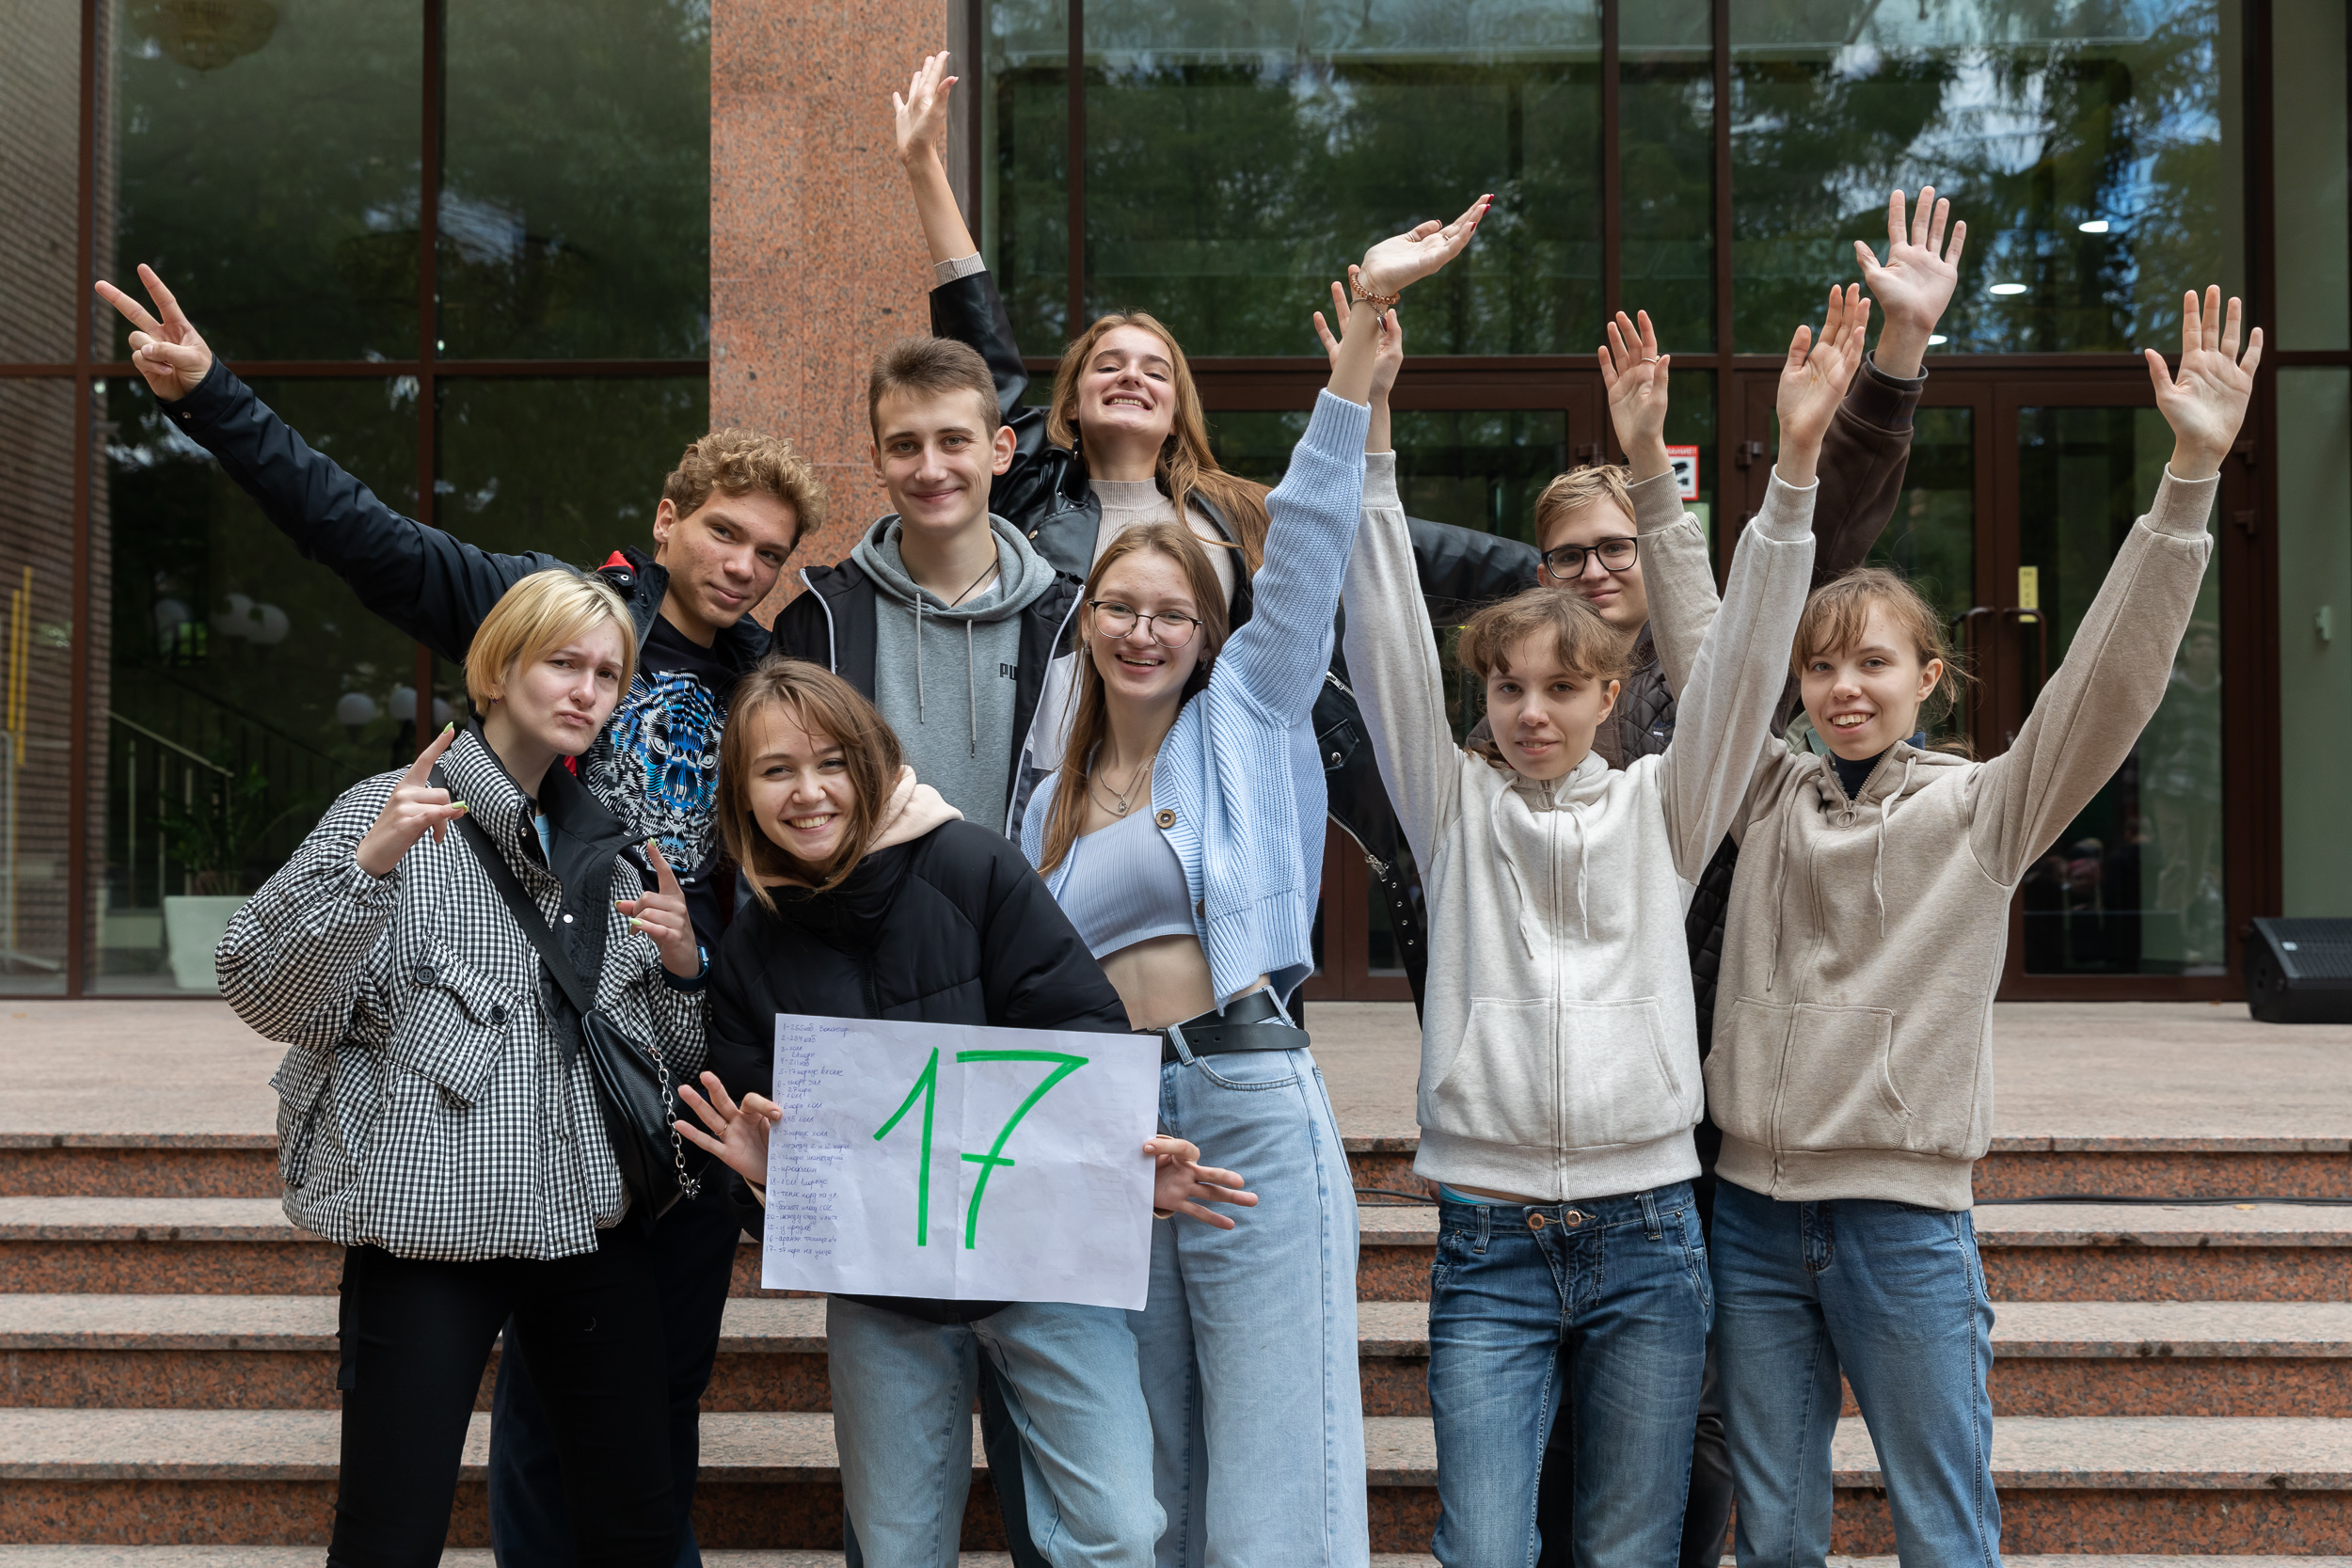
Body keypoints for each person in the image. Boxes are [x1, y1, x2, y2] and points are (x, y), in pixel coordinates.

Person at [95, 265, 818, 1568]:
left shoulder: (776, 684)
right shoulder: (529, 626)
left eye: (770, 553)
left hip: (655, 1103)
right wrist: (210, 397)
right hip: (463, 1152)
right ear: (666, 522)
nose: (743, 565)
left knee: (644, 1425)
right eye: (725, 532)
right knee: (476, 1471)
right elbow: (358, 530)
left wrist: (698, 985)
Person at [1396, 189, 1966, 1568]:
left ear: (1653, 561)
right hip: (1525, 1137)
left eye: (1619, 545)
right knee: (1533, 1471)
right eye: (1568, 553)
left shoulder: (1698, 723)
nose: (1596, 569)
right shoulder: (1484, 754)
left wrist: (1887, 369)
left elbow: (1806, 557)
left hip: (1698, 1113)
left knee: (1683, 1455)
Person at [1672, 288, 2258, 1567]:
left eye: (1873, 662)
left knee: (1944, 1531)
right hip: (1751, 1215)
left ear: (1929, 677)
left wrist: (2188, 484)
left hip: (1901, 1221)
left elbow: (2108, 685)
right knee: (1774, 1537)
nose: (1842, 687)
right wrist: (1753, 473)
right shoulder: (1760, 793)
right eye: (1821, 665)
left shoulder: (1983, 811)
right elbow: (1708, 651)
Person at [1343, 281, 1854, 1564]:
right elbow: (1386, 631)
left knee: (1631, 1545)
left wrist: (1793, 468)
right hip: (1488, 1234)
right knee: (1483, 1544)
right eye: (1509, 687)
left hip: (1648, 1230)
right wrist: (1369, 423)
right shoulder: (1450, 807)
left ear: (1608, 690)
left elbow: (1744, 660)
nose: (1532, 711)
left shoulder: (1664, 810)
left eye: (1562, 687)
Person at [1019, 198, 1486, 1567]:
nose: (1145, 629)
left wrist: (1361, 346)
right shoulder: (1045, 787)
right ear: (1086, 620)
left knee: (1277, 1472)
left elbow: (1317, 532)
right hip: (1108, 1122)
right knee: (1151, 1468)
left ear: (1209, 627)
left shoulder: (1250, 711)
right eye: (1121, 606)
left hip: (1239, 1094)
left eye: (1174, 611)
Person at [684, 657, 1254, 1568]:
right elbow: (771, 1163)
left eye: (830, 762)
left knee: (1116, 1529)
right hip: (885, 1295)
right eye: (776, 769)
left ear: (871, 762)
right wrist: (766, 1180)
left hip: (1042, 1268)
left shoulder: (971, 864)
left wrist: (1124, 1163)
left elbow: (1079, 1032)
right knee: (898, 1547)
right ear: (742, 795)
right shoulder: (753, 944)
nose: (808, 792)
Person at [216, 569, 709, 1568]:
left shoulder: (611, 853)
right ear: (497, 669)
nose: (586, 690)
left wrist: (684, 970)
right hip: (427, 1229)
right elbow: (264, 991)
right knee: (389, 1534)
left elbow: (670, 1064)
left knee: (637, 1526)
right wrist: (368, 867)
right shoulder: (390, 809)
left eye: (607, 674)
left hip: (587, 1224)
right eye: (562, 663)